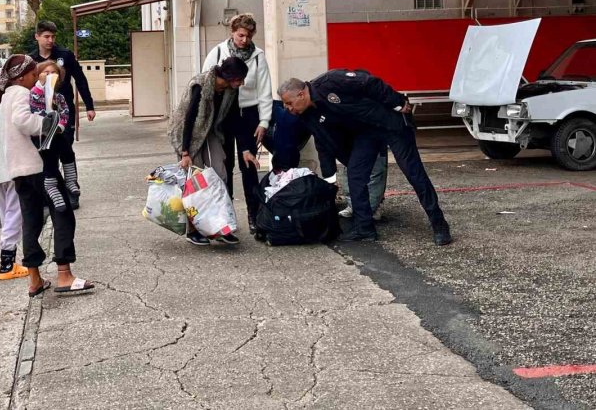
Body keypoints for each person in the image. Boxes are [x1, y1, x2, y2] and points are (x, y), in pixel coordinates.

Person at [278, 70, 453, 246]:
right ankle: (365, 228)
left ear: (301, 94)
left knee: (414, 174)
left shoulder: (330, 81)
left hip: (391, 123)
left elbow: (369, 82)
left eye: (289, 103)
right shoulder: (308, 114)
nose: (288, 108)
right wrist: (330, 177)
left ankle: (439, 225)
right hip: (367, 132)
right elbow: (323, 142)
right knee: (355, 175)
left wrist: (398, 102)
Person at [0, 54, 94, 297]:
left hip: (18, 170)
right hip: (38, 167)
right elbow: (23, 121)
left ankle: (35, 280)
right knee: (63, 215)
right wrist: (49, 123)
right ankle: (64, 274)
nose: (34, 79)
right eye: (32, 74)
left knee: (31, 222)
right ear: (22, 76)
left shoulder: (6, 97)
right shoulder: (20, 93)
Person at [169, 57, 260, 246]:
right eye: (240, 79)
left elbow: (235, 118)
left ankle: (221, 227)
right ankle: (193, 230)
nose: (242, 83)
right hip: (188, 134)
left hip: (211, 131)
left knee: (220, 174)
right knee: (196, 181)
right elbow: (189, 118)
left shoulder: (229, 91)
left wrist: (244, 148)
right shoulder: (200, 85)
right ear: (230, 77)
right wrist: (185, 152)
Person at [202, 13, 272, 235]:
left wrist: (264, 120)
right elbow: (206, 81)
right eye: (241, 35)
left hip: (249, 113)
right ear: (232, 32)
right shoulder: (219, 52)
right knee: (225, 166)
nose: (244, 40)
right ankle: (226, 214)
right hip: (223, 114)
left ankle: (254, 214)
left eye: (248, 36)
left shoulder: (259, 56)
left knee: (249, 166)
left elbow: (265, 90)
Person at [30, 21, 94, 203]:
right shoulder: (31, 60)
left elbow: (80, 80)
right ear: (37, 37)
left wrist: (89, 106)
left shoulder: (65, 55)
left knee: (65, 149)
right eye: (46, 37)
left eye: (53, 37)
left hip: (64, 115)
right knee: (46, 153)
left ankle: (71, 189)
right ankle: (51, 191)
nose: (50, 40)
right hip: (41, 117)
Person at [0, 72, 29, 281]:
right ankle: (7, 262)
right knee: (15, 212)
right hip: (12, 165)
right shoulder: (10, 106)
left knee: (6, 211)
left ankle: (8, 259)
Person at [30, 61, 78, 211]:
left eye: (53, 73)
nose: (50, 76)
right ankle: (50, 187)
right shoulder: (34, 93)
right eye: (46, 72)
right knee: (49, 159)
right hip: (43, 135)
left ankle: (71, 180)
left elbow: (65, 112)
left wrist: (61, 126)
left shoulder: (59, 97)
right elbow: (34, 104)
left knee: (68, 151)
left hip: (56, 133)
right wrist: (40, 85)